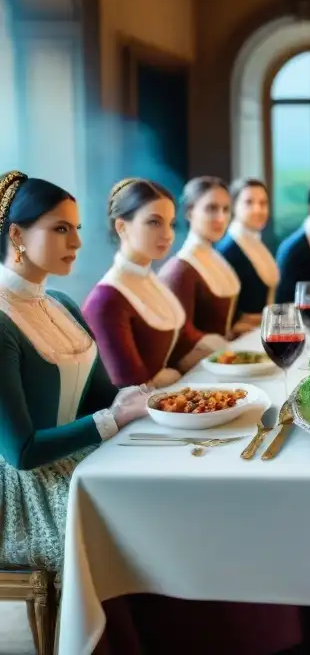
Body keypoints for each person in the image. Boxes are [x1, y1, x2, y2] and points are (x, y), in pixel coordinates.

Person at [0, 171, 148, 571]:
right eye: (61, 229)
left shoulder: (61, 303)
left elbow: (101, 395)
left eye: (77, 228)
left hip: (80, 457)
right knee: (146, 525)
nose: (78, 242)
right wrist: (114, 418)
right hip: (24, 491)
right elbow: (22, 453)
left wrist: (148, 400)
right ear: (17, 235)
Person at [83, 179, 226, 388]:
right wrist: (173, 375)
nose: (168, 235)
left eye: (171, 224)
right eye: (154, 222)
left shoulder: (152, 282)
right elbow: (132, 390)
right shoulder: (105, 301)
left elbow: (187, 343)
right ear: (122, 227)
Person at [159, 177, 246, 340]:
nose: (220, 218)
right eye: (211, 208)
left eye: (226, 209)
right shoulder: (181, 269)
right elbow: (181, 337)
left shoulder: (216, 259)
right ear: (190, 212)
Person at [216, 177, 279, 328]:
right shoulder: (227, 250)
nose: (258, 210)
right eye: (248, 203)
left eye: (263, 203)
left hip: (264, 329)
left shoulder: (258, 242)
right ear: (233, 206)